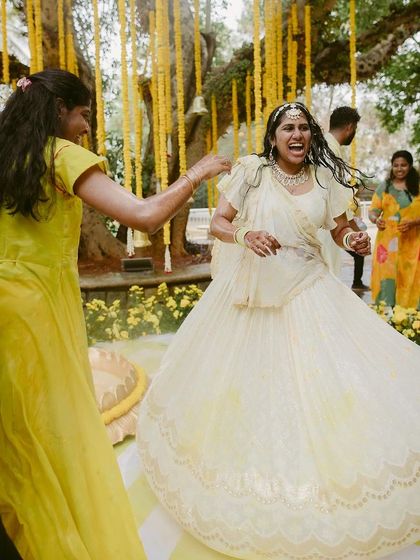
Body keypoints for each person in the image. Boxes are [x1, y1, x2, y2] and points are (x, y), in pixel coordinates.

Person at [137, 102, 420, 559]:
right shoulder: (252, 172)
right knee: (246, 390)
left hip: (309, 289)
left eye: (304, 128)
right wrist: (247, 234)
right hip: (253, 294)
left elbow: (340, 229)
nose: (297, 135)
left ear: (312, 136)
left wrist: (354, 240)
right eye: (288, 128)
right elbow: (222, 224)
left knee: (323, 387)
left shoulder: (326, 178)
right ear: (273, 137)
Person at [0, 69, 231, 559]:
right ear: (59, 109)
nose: (85, 126)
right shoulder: (61, 155)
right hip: (35, 313)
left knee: (12, 432)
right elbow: (145, 216)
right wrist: (197, 173)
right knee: (51, 430)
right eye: (83, 114)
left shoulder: (7, 157)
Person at [320, 106, 369, 291]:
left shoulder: (323, 145)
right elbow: (336, 199)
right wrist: (353, 230)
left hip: (324, 224)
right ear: (350, 127)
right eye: (355, 129)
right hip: (326, 228)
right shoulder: (330, 152)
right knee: (326, 283)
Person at [369, 150, 420, 308]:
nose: (399, 169)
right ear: (392, 167)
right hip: (387, 246)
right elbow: (373, 211)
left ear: (410, 166)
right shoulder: (385, 187)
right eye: (396, 165)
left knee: (410, 278)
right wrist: (376, 220)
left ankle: (409, 321)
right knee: (386, 280)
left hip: (412, 244)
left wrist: (414, 222)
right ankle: (385, 317)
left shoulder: (417, 186)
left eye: (403, 165)